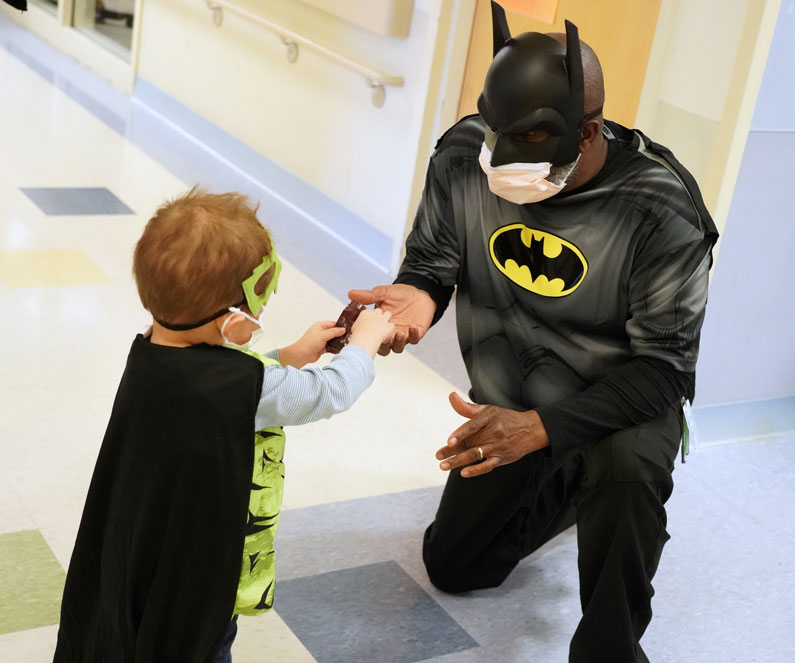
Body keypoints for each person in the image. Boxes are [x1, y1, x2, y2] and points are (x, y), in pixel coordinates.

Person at [349, 3, 718, 662]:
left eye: (522, 145)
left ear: (587, 131)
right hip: (515, 390)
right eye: (493, 134)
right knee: (455, 567)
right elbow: (434, 264)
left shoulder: (659, 209)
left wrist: (547, 428)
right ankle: (570, 487)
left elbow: (662, 371)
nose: (497, 161)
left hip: (620, 404)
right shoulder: (465, 154)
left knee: (626, 472)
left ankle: (609, 641)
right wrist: (418, 297)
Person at [53, 189, 394, 663]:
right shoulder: (243, 388)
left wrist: (287, 358)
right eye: (257, 312)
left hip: (143, 551)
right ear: (231, 324)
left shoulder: (152, 351)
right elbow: (327, 393)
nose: (258, 322)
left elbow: (234, 384)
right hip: (196, 581)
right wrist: (366, 343)